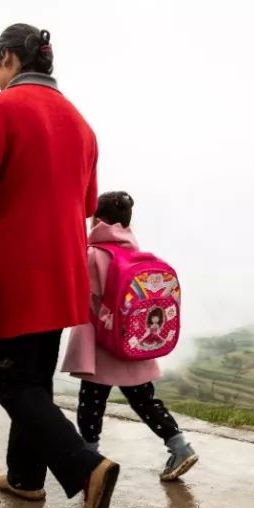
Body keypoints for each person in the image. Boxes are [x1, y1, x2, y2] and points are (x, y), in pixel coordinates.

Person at [0, 24, 118, 508]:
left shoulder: (0, 109)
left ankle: (86, 468)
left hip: (18, 269)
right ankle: (24, 478)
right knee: (35, 381)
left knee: (14, 387)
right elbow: (85, 205)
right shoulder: (81, 125)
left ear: (7, 59)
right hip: (63, 271)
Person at [63, 191, 199, 481]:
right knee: (145, 401)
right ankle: (180, 446)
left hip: (102, 347)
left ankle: (91, 461)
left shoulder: (93, 255)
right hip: (134, 342)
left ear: (97, 220)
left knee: (91, 404)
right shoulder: (134, 255)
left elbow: (78, 297)